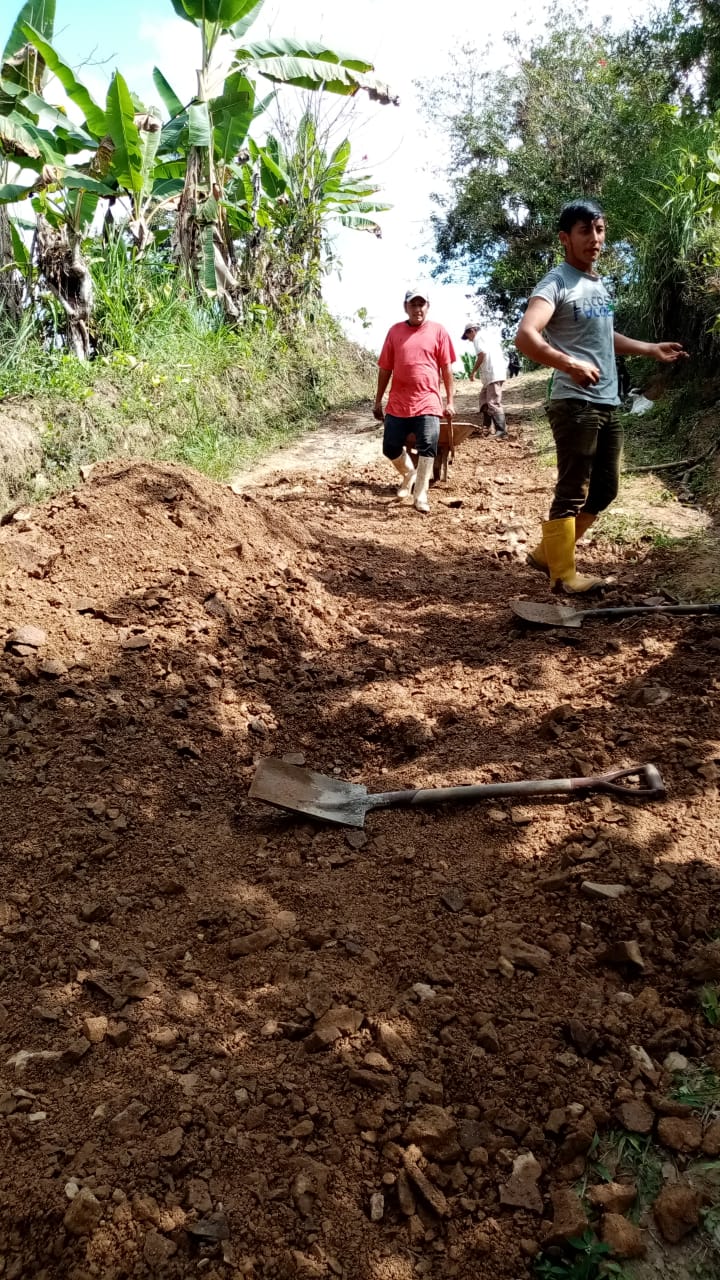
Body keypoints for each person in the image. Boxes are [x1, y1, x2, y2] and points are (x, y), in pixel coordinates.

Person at [515, 198, 688, 593]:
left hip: (607, 401)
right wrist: (569, 364)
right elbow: (526, 336)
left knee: (606, 488)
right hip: (575, 401)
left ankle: (547, 554)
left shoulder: (596, 284)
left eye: (600, 229)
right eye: (585, 231)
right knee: (572, 490)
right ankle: (563, 575)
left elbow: (602, 335)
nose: (595, 238)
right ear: (565, 238)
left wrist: (650, 349)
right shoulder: (556, 282)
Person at [374, 287, 456, 514]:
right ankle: (409, 473)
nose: (418, 309)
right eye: (413, 304)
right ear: (405, 307)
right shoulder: (394, 332)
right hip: (398, 402)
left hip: (428, 400)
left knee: (428, 444)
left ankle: (420, 494)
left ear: (428, 307)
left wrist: (450, 401)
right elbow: (385, 369)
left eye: (422, 304)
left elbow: (447, 368)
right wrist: (378, 400)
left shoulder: (439, 331)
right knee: (390, 446)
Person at [461, 322, 507, 438]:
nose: (469, 340)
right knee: (483, 400)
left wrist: (473, 371)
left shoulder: (478, 338)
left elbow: (481, 355)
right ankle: (487, 427)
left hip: (493, 374)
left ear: (472, 331)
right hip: (490, 376)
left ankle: (501, 431)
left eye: (468, 336)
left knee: (493, 402)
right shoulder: (487, 337)